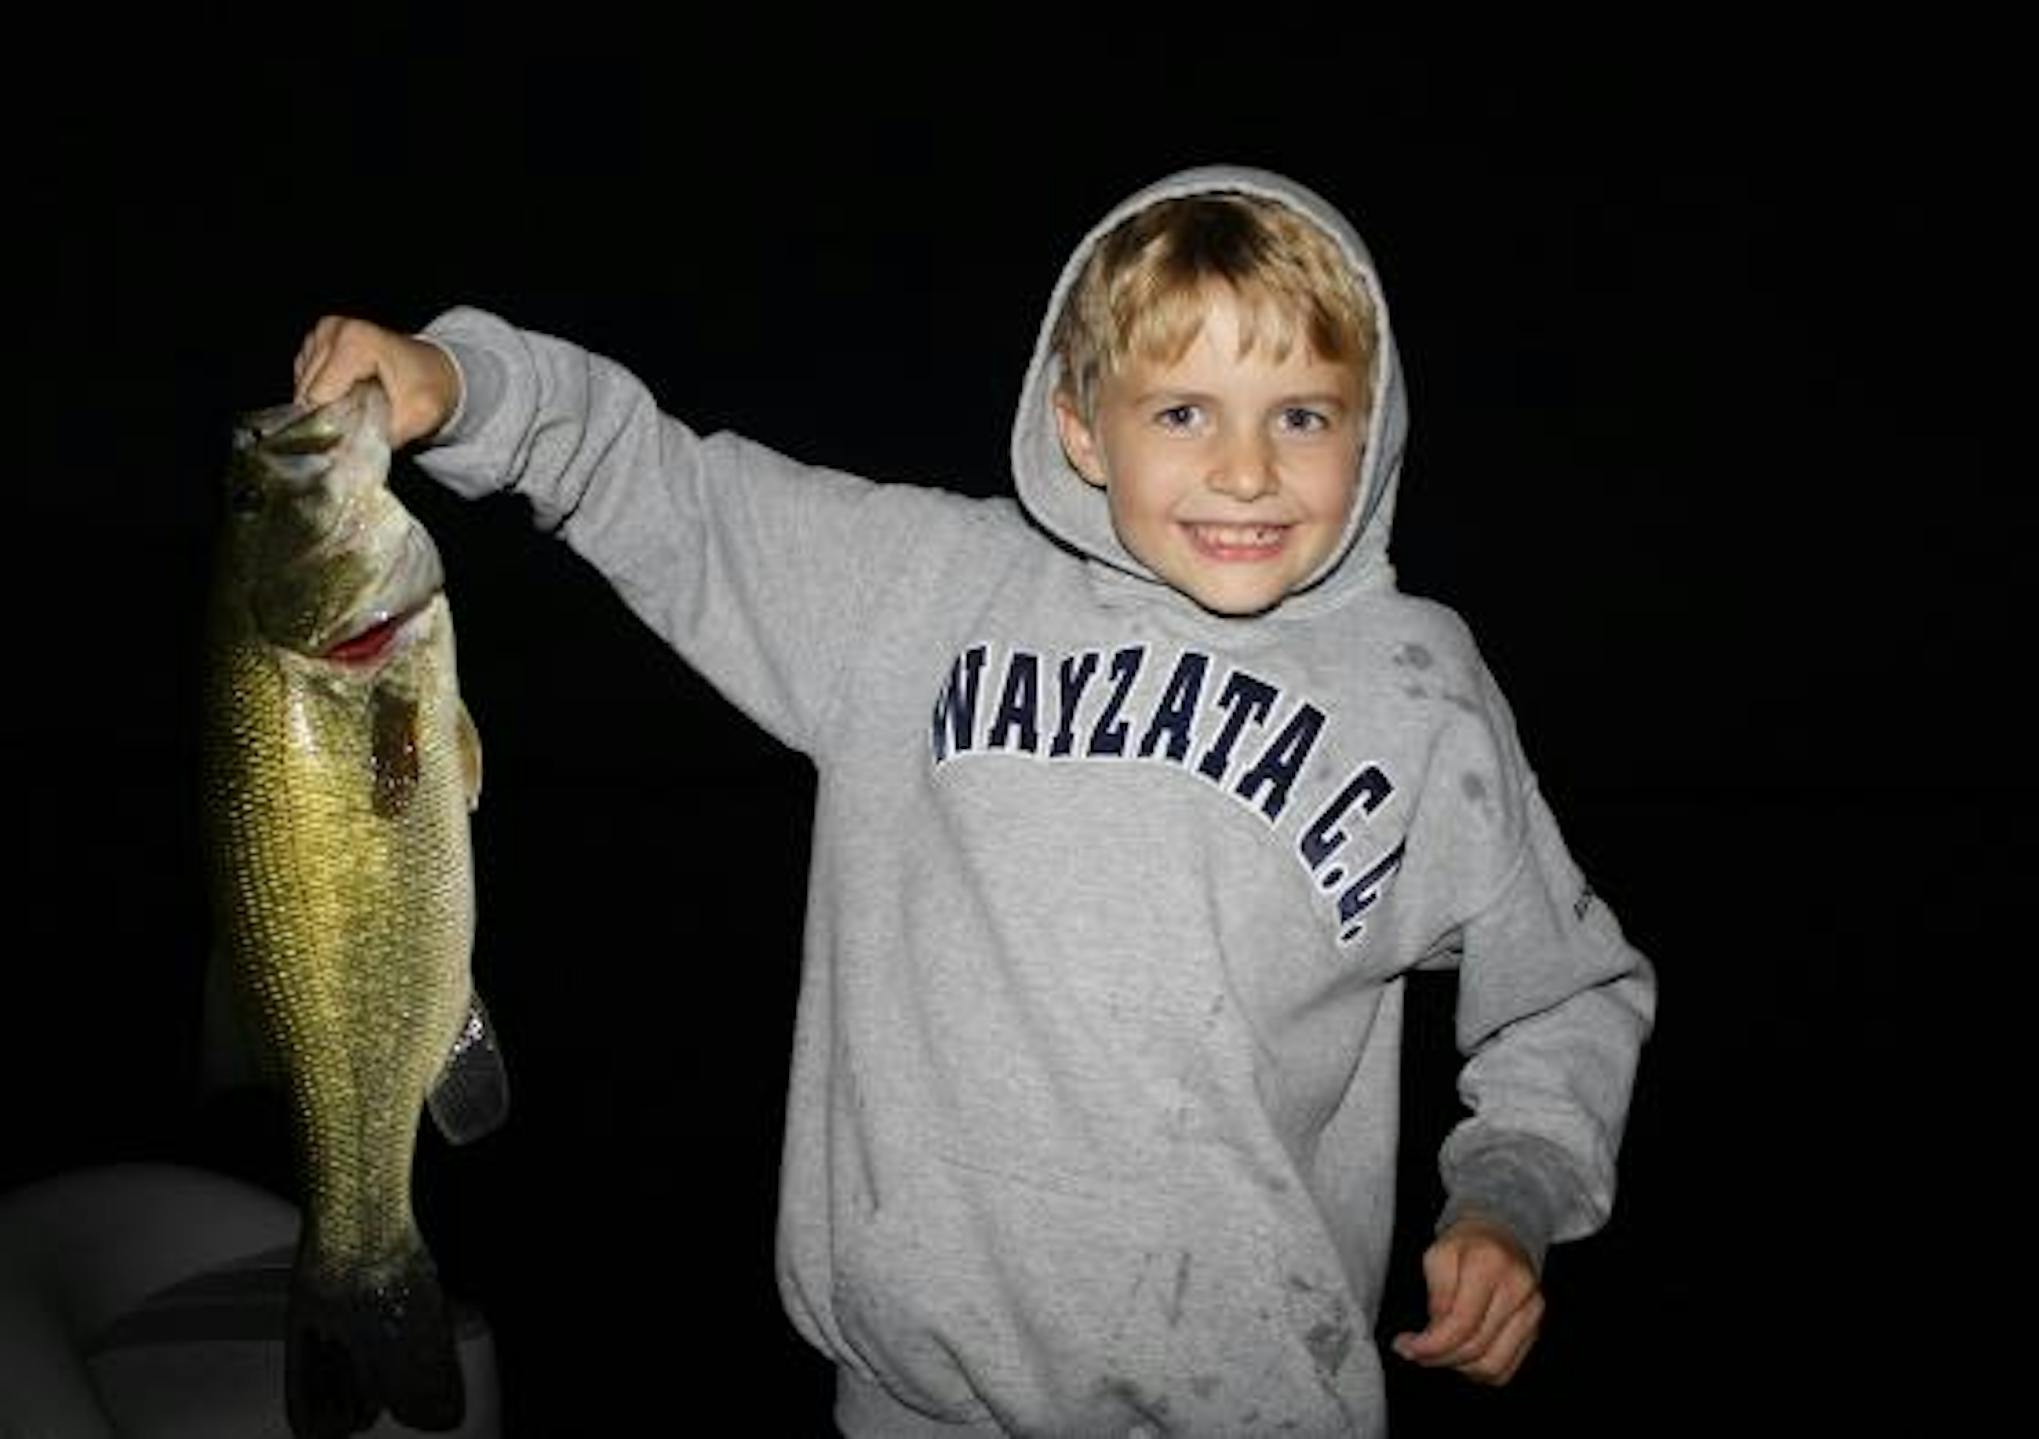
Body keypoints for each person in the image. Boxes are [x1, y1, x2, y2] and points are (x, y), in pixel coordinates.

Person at [292, 165, 1656, 1437]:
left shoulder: (1420, 690)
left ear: (1373, 430)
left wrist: (1512, 1194)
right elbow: (663, 486)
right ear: (1082, 423)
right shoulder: (919, 596)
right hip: (911, 1405)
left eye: (1301, 415)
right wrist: (460, 385)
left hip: (1259, 1404)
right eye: (1182, 411)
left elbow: (1565, 994)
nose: (1247, 470)